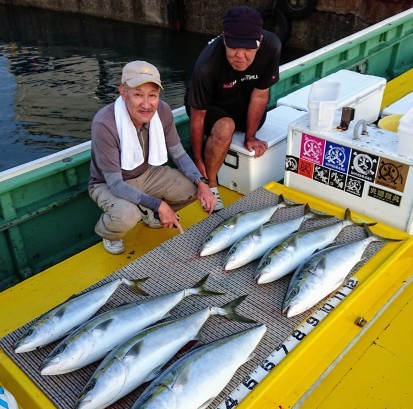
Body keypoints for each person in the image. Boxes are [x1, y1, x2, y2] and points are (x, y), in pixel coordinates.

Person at [89, 60, 216, 254]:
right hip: (109, 182)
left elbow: (179, 153)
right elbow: (114, 184)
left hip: (147, 172)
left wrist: (202, 183)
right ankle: (108, 233)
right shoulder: (104, 123)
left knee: (190, 189)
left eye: (152, 95)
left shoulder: (163, 111)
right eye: (138, 94)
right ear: (123, 93)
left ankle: (149, 213)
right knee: (127, 215)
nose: (146, 104)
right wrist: (159, 205)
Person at [185, 6, 281, 211]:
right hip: (212, 105)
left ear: (260, 41)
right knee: (226, 126)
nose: (241, 56)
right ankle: (211, 183)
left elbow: (261, 94)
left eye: (248, 48)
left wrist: (251, 136)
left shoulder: (272, 45)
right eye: (234, 47)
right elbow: (198, 116)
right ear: (224, 38)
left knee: (246, 123)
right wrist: (198, 161)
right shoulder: (206, 65)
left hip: (243, 98)